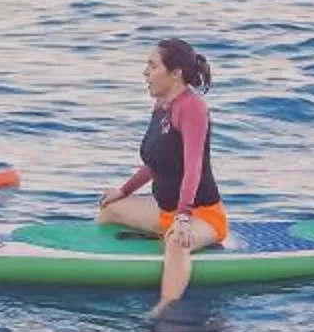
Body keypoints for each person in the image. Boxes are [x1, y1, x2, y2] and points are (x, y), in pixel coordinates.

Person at [96, 37, 226, 313]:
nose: (145, 72)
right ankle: (116, 267)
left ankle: (165, 308)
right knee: (109, 211)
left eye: (152, 66)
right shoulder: (162, 106)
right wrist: (123, 191)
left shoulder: (193, 108)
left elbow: (194, 168)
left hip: (201, 215)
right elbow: (157, 163)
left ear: (176, 73)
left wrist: (182, 218)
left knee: (177, 241)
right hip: (165, 211)